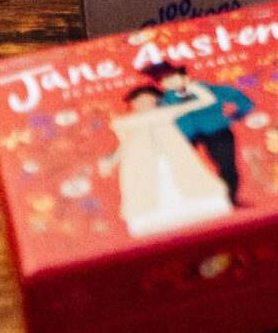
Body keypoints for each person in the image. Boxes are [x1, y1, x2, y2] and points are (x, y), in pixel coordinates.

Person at [97, 84, 231, 238]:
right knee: (146, 191)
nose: (145, 104)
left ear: (155, 101)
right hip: (140, 163)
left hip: (175, 156)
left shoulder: (167, 112)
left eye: (149, 100)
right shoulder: (123, 122)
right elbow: (124, 144)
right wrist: (110, 162)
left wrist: (189, 86)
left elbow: (207, 100)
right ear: (132, 103)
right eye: (140, 101)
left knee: (188, 181)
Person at [148, 61, 251, 206]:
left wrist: (233, 117)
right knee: (184, 170)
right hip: (186, 137)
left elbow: (243, 101)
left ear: (183, 76)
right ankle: (198, 203)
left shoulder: (206, 89)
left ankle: (230, 200)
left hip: (217, 131)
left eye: (173, 76)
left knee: (227, 167)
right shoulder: (162, 100)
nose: (170, 82)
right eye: (163, 80)